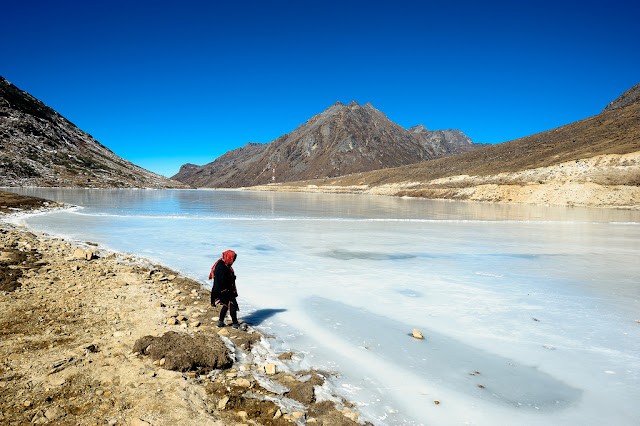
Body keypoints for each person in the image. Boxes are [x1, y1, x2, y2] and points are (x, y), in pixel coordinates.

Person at [209, 250, 244, 329]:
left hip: (218, 289)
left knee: (225, 304)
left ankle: (220, 322)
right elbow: (223, 280)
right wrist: (231, 280)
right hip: (223, 290)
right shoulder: (223, 268)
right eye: (233, 259)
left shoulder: (220, 262)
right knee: (232, 305)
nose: (233, 261)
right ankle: (235, 324)